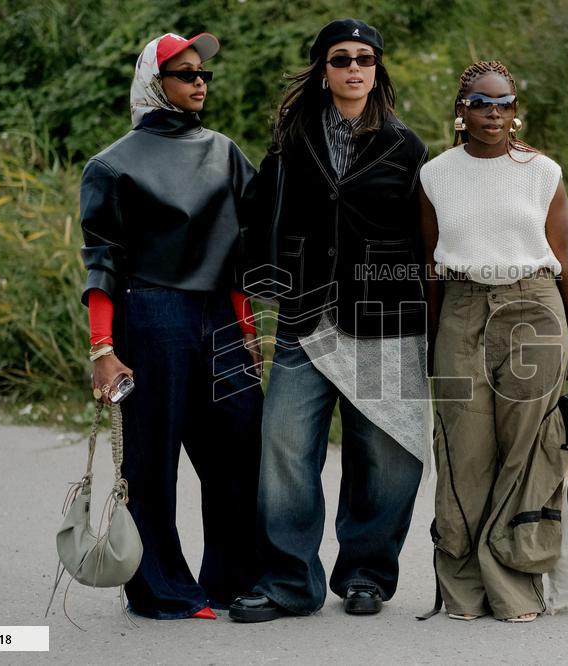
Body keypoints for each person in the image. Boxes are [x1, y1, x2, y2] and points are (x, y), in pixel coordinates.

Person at [229, 18, 431, 623]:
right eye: (341, 58)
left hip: (385, 321)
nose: (353, 68)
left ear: (377, 69)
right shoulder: (292, 140)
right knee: (284, 447)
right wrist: (260, 291)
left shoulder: (407, 147)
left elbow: (426, 241)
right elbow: (259, 217)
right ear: (323, 70)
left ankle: (367, 574)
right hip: (306, 317)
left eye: (364, 58)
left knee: (387, 458)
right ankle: (289, 582)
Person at [79, 32, 264, 620]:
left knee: (241, 443)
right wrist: (102, 348)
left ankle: (232, 579)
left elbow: (242, 253)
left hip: (219, 316)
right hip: (152, 313)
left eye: (202, 74)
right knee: (151, 458)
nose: (199, 82)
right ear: (154, 83)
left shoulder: (225, 153)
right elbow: (102, 264)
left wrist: (247, 330)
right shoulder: (111, 165)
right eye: (185, 74)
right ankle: (161, 589)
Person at [418, 60, 568, 622]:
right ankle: (464, 589)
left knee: (527, 449)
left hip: (533, 308)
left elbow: (565, 261)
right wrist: (432, 340)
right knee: (462, 452)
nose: (493, 113)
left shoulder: (542, 172)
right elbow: (430, 268)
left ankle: (513, 587)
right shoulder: (435, 175)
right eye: (481, 103)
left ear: (515, 111)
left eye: (504, 103)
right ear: (461, 110)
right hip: (461, 311)